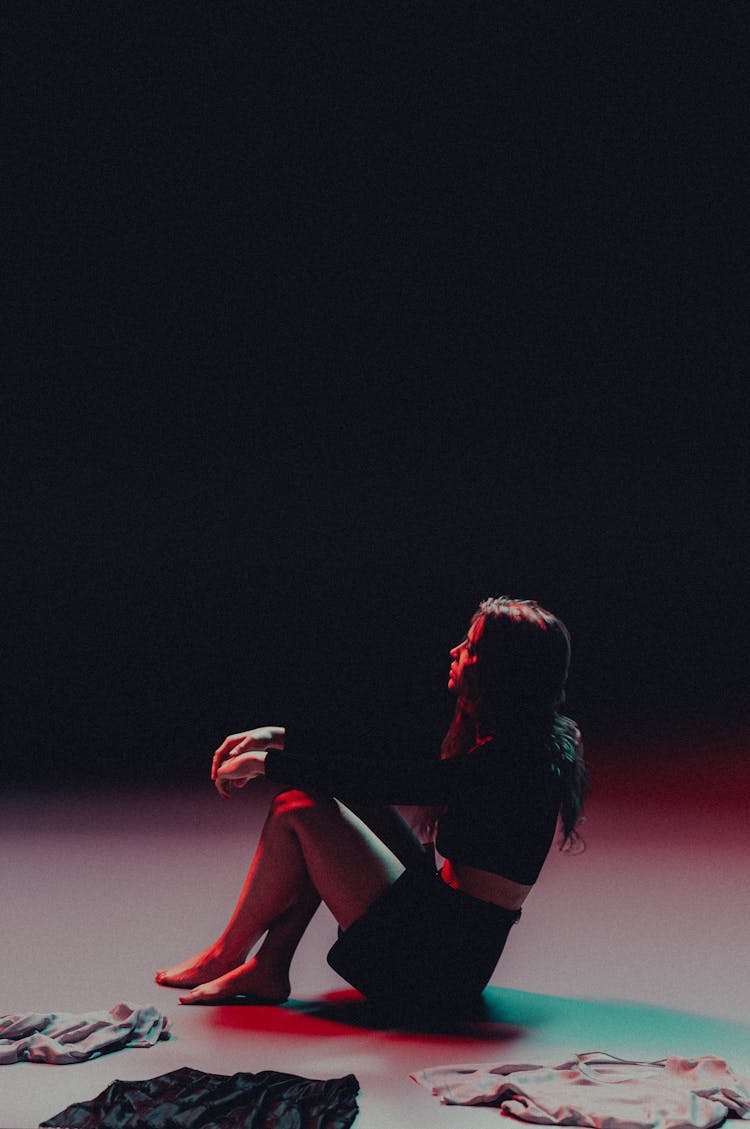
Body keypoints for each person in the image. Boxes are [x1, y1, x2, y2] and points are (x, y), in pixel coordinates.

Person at [155, 596, 589, 1019]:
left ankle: (225, 956)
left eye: (471, 648)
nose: (455, 652)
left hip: (434, 973)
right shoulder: (513, 736)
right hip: (444, 932)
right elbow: (387, 752)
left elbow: (393, 778)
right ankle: (267, 968)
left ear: (501, 671)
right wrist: (278, 736)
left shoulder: (512, 762)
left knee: (297, 806)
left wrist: (270, 764)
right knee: (342, 803)